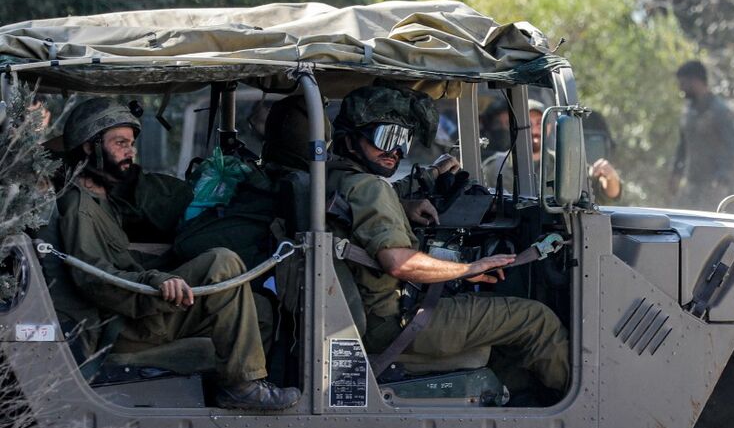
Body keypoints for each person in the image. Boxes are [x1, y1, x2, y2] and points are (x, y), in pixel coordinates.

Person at [50, 97, 301, 410]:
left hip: (136, 308)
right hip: (124, 324)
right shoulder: (79, 208)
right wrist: (156, 279)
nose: (130, 152)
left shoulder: (103, 198)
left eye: (131, 143)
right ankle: (240, 385)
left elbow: (124, 258)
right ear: (89, 147)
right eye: (120, 143)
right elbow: (95, 279)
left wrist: (168, 268)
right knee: (221, 261)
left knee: (259, 306)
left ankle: (238, 388)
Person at [328, 85, 570, 404]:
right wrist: (468, 268)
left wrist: (411, 193)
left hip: (376, 314)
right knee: (536, 320)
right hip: (399, 319)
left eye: (402, 141)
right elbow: (398, 262)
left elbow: (368, 209)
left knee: (501, 337)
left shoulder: (333, 178)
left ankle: (522, 400)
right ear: (349, 140)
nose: (395, 151)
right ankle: (596, 415)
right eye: (384, 138)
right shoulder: (368, 188)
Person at [482, 100, 623, 204]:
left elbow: (607, 196)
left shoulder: (566, 164)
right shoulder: (494, 168)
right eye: (529, 124)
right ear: (515, 128)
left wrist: (611, 178)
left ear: (548, 128)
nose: (535, 130)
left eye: (539, 123)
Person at [669, 60, 734, 210]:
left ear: (695, 81)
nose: (681, 88)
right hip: (692, 184)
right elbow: (682, 145)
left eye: (683, 83)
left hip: (715, 187)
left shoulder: (719, 111)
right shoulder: (688, 110)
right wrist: (676, 172)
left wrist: (722, 180)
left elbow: (732, 148)